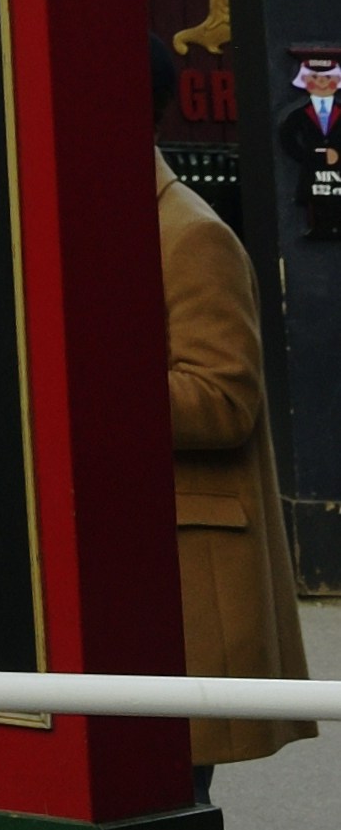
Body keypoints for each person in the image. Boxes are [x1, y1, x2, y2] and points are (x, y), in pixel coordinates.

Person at [156, 52, 314, 778]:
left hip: (180, 578)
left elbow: (223, 401)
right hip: (135, 571)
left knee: (171, 818)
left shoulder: (190, 235)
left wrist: (91, 393)